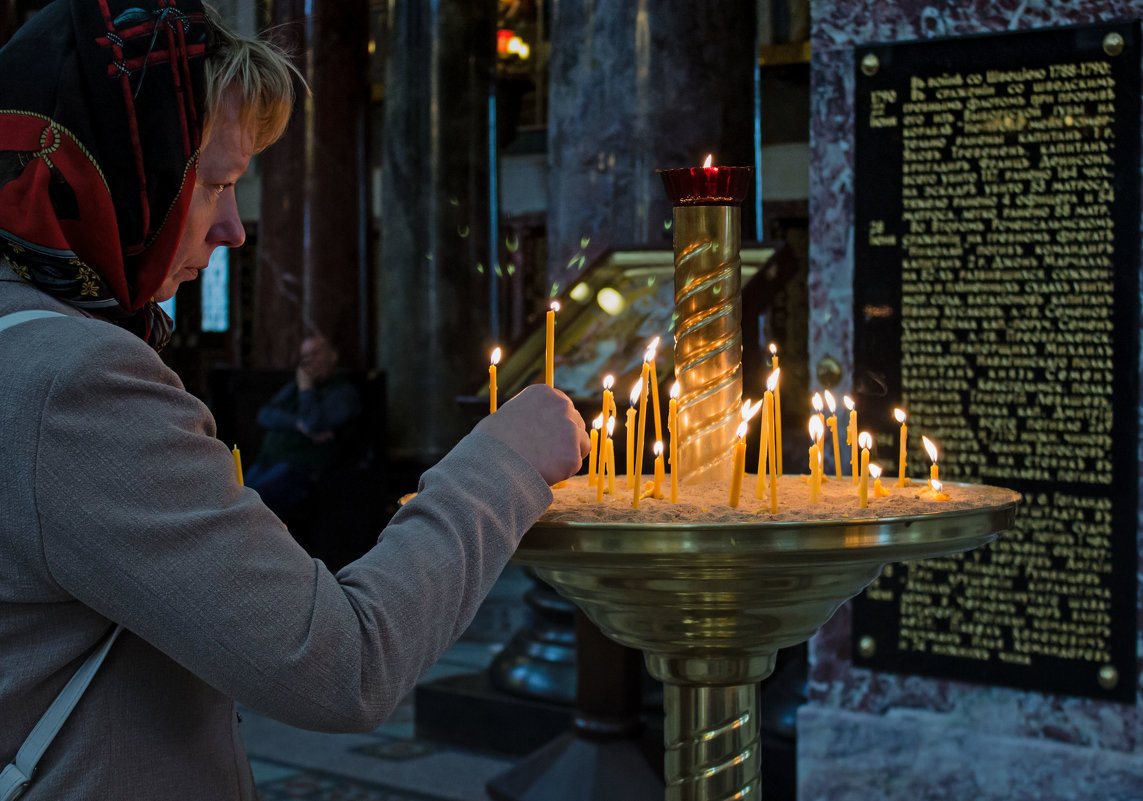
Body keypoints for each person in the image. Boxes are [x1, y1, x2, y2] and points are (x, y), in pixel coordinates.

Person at [0, 3, 589, 800]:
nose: (235, 230)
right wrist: (503, 461)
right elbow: (342, 665)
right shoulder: (74, 381)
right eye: (214, 184)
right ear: (112, 179)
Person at [245, 334, 362, 519]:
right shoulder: (294, 387)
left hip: (301, 468)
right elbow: (264, 415)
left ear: (333, 356)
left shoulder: (343, 393)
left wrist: (306, 388)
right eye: (305, 356)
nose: (309, 361)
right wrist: (297, 424)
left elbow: (313, 423)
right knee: (233, 496)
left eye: (316, 353)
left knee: (251, 501)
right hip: (268, 460)